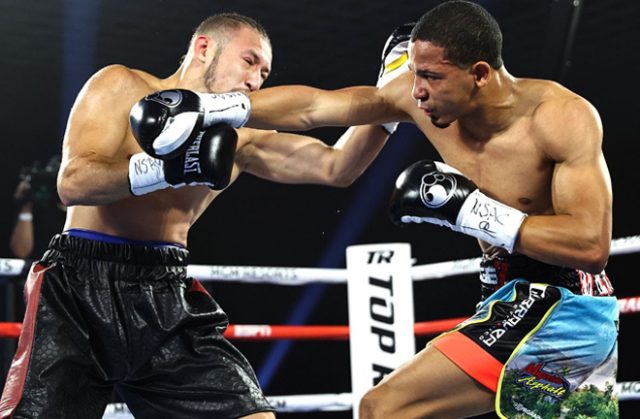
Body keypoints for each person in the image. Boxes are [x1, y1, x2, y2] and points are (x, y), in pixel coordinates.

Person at [211, 2, 619, 418]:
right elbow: (315, 107)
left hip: (564, 304)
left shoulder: (559, 117)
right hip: (506, 294)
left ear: (479, 74)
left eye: (430, 76)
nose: (416, 89)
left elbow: (590, 246)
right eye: (414, 73)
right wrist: (211, 108)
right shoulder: (423, 101)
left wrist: (470, 211)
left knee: (383, 409)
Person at [0, 13, 391, 419]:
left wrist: (397, 98)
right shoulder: (121, 85)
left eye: (265, 72)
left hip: (166, 290)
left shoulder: (243, 137)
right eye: (250, 61)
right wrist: (168, 168)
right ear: (204, 48)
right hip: (79, 283)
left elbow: (337, 167)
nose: (256, 81)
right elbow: (74, 183)